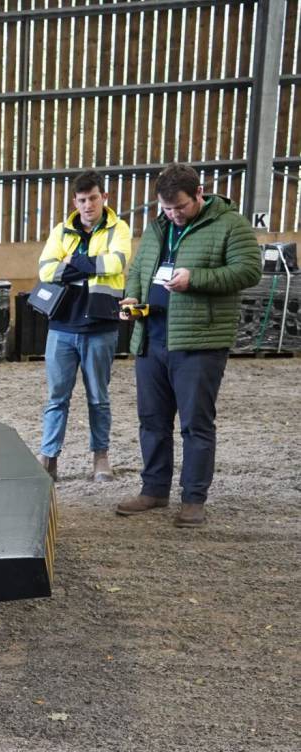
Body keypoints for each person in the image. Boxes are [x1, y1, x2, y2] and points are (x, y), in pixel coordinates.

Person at [115, 164, 261, 527]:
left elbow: (249, 270)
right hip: (152, 337)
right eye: (166, 208)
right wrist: (132, 297)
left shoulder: (230, 224)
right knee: (152, 420)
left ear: (199, 194)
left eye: (179, 207)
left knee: (196, 423)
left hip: (199, 342)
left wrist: (195, 279)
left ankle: (193, 498)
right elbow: (138, 269)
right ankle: (154, 489)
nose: (173, 214)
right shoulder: (156, 227)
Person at [34, 171, 132, 482]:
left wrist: (73, 263)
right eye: (81, 200)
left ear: (105, 197)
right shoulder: (61, 231)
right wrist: (91, 264)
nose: (87, 204)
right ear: (75, 202)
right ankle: (48, 458)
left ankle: (100, 457)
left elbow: (116, 263)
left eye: (92, 198)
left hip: (101, 325)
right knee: (56, 397)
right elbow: (46, 271)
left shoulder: (120, 229)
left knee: (98, 397)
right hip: (62, 326)